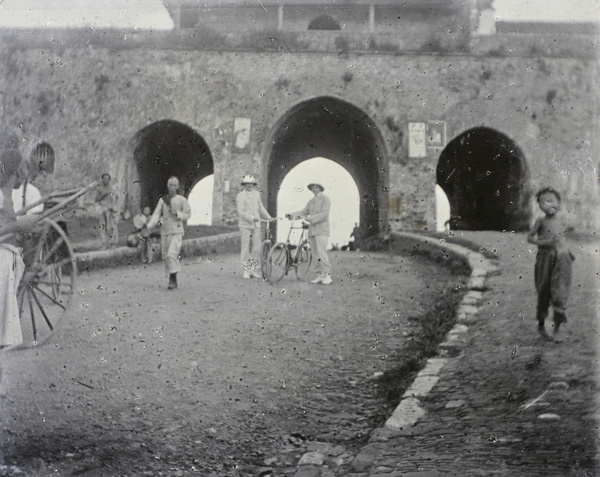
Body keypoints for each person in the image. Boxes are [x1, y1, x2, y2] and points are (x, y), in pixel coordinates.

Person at [0, 134, 37, 348]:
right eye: (19, 172)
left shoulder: (7, 197)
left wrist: (21, 229)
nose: (22, 178)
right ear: (12, 172)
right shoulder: (1, 197)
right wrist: (19, 225)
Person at [527, 187, 574, 342]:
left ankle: (558, 327)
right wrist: (544, 242)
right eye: (543, 202)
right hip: (545, 258)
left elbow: (562, 238)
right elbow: (530, 238)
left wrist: (568, 252)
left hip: (561, 258)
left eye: (552, 201)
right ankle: (541, 324)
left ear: (559, 203)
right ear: (540, 206)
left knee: (560, 291)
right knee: (544, 290)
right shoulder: (540, 221)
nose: (548, 204)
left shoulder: (562, 221)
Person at [146, 177, 191, 290]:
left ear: (177, 187)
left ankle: (173, 279)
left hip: (177, 231)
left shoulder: (182, 200)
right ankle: (172, 277)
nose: (172, 187)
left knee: (172, 254)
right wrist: (149, 226)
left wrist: (178, 214)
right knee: (166, 256)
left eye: (174, 185)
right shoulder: (163, 200)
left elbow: (188, 214)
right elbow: (156, 214)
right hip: (165, 231)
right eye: (170, 185)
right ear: (167, 186)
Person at [287, 180, 332, 285]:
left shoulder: (325, 199)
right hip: (312, 231)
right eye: (312, 188)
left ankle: (327, 275)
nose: (314, 189)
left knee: (321, 253)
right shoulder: (311, 201)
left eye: (316, 187)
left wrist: (311, 218)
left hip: (321, 230)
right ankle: (320, 275)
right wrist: (291, 215)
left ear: (320, 188)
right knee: (315, 254)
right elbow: (303, 213)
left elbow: (324, 215)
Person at [236, 174, 273, 279]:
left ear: (253, 185)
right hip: (245, 225)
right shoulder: (240, 196)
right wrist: (251, 218)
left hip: (256, 225)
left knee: (257, 248)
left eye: (251, 184)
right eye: (247, 184)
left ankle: (253, 269)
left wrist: (268, 216)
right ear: (244, 185)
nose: (249, 186)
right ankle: (246, 270)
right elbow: (241, 212)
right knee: (245, 248)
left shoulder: (257, 194)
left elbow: (260, 207)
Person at [94, 173, 119, 249]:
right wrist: (103, 195)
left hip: (110, 209)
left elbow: (114, 198)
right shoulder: (99, 188)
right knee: (102, 226)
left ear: (109, 180)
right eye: (104, 179)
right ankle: (104, 243)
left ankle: (112, 243)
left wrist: (114, 207)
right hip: (102, 208)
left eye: (107, 179)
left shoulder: (112, 188)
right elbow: (96, 199)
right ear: (102, 179)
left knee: (112, 226)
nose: (106, 180)